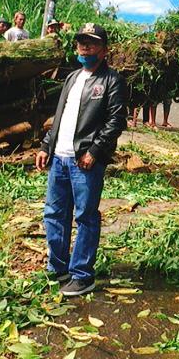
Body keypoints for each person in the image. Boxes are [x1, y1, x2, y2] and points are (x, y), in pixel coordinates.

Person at [35, 23, 127, 297]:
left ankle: (82, 274)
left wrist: (94, 152)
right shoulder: (72, 78)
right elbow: (59, 115)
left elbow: (115, 121)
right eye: (81, 42)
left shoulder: (112, 80)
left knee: (85, 216)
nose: (84, 47)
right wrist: (45, 145)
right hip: (60, 159)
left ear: (104, 49)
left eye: (91, 43)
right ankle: (58, 267)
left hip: (84, 161)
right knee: (54, 213)